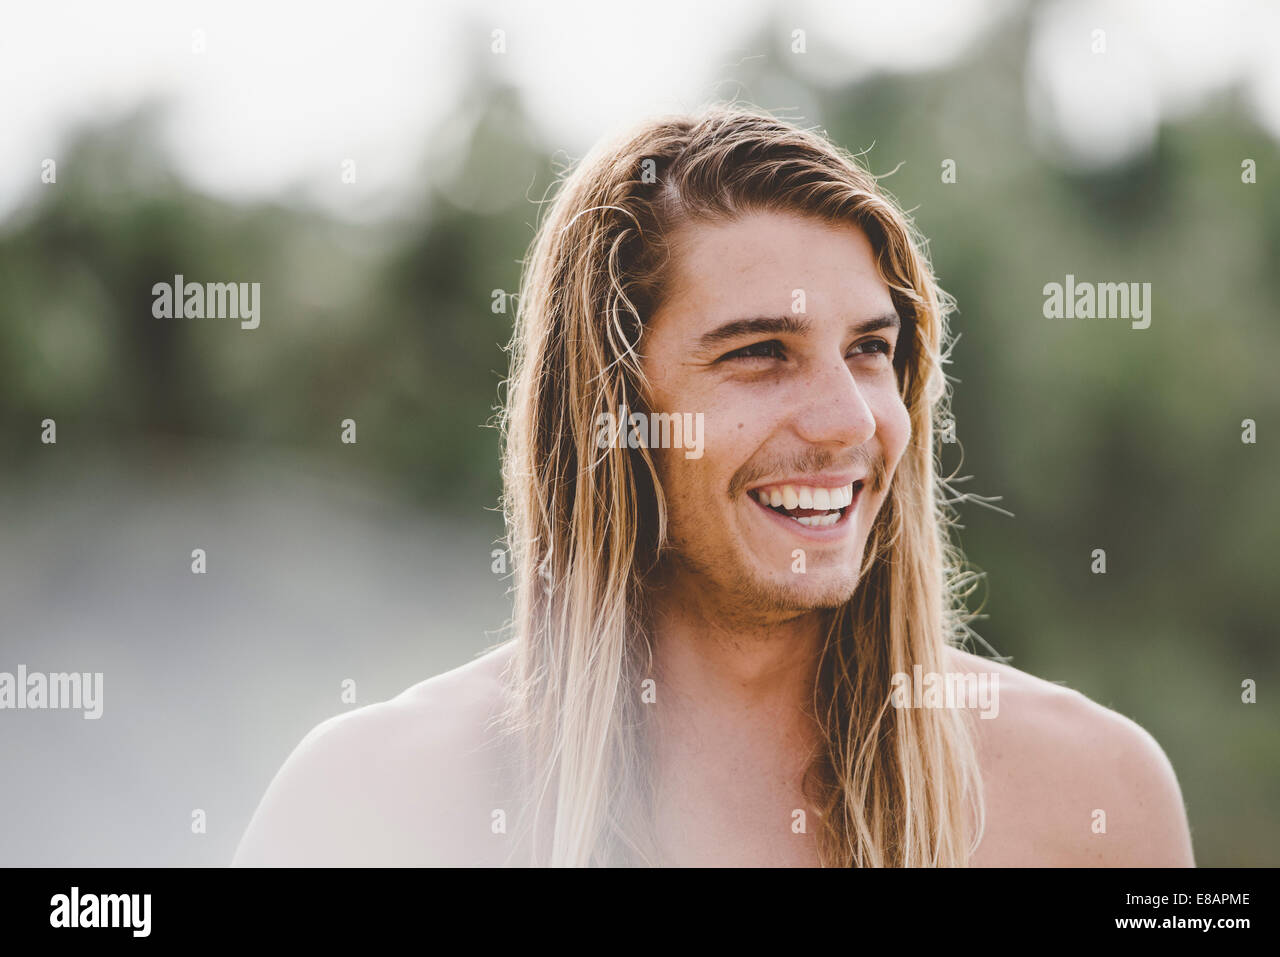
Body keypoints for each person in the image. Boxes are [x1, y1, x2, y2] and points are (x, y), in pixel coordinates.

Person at [233, 105, 1195, 867]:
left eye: (870, 351)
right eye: (761, 353)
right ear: (613, 410)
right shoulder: (364, 809)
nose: (849, 422)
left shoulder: (1097, 796)